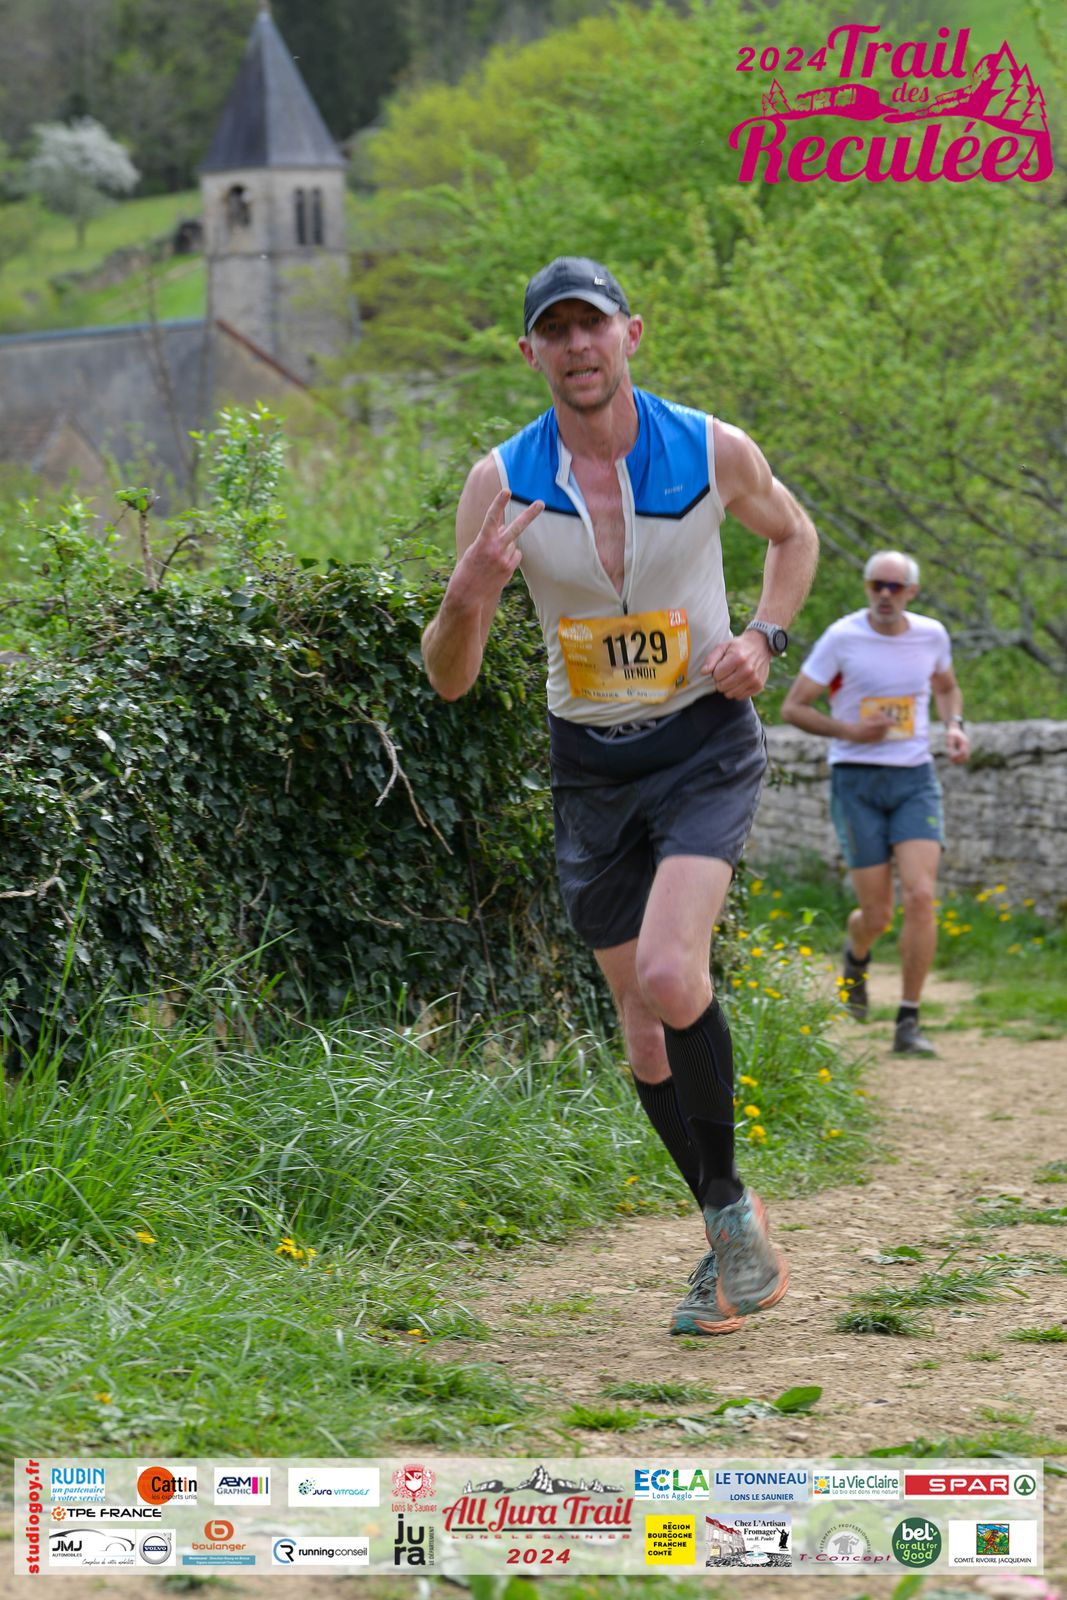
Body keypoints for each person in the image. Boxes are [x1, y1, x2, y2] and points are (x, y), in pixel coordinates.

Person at [421, 256, 819, 1335]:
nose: (576, 347)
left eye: (590, 325)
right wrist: (466, 595)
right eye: (553, 332)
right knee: (642, 1032)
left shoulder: (710, 447)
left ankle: (726, 1210)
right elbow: (449, 677)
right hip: (590, 767)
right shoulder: (500, 482)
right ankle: (728, 1237)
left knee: (668, 971)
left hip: (702, 745)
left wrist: (763, 637)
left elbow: (792, 536)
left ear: (628, 334)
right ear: (530, 355)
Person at [781, 550, 971, 1055]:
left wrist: (954, 727)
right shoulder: (841, 638)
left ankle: (908, 1020)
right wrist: (851, 731)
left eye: (895, 587)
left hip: (914, 778)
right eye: (876, 585)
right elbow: (793, 707)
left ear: (912, 592)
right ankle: (856, 954)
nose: (885, 595)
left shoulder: (931, 635)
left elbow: (948, 688)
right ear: (866, 587)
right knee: (878, 915)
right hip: (856, 781)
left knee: (921, 895)